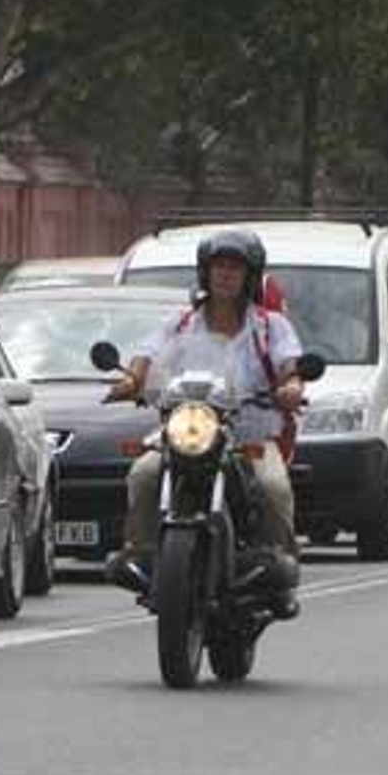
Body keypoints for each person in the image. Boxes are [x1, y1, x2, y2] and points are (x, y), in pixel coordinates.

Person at [105, 229, 307, 614]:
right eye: (218, 267)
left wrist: (291, 387)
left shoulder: (270, 326)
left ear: (250, 276)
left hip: (248, 434)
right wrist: (132, 380)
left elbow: (289, 369)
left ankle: (276, 563)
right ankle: (143, 554)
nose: (226, 275)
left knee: (273, 487)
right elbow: (146, 355)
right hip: (187, 428)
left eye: (235, 268)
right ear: (205, 273)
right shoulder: (180, 323)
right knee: (144, 473)